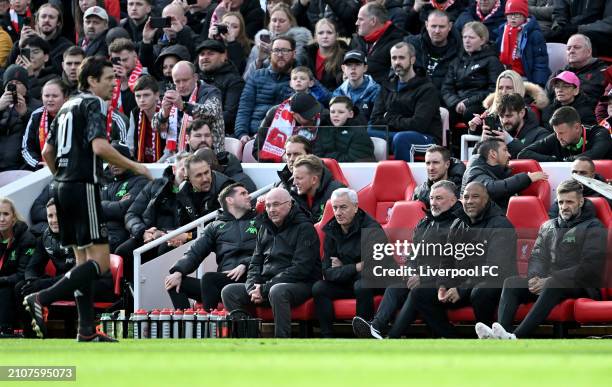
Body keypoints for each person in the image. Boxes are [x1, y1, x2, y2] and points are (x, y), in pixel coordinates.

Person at [24, 56, 152, 342]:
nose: (114, 84)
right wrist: (137, 167)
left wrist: (62, 178)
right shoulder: (92, 104)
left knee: (81, 260)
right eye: (108, 78)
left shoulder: (66, 106)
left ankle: (85, 330)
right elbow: (100, 146)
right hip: (83, 187)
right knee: (101, 264)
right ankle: (41, 297)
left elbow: (47, 152)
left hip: (61, 187)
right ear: (92, 80)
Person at [476, 179, 607, 339]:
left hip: (582, 285)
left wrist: (550, 279)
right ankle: (503, 334)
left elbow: (590, 267)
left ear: (580, 202)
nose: (564, 206)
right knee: (511, 283)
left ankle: (517, 337)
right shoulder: (548, 226)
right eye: (561, 202)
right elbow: (537, 256)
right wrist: (534, 278)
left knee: (553, 283)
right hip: (550, 282)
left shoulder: (594, 226)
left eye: (569, 202)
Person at [352, 180, 463, 339]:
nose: (433, 203)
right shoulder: (425, 223)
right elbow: (413, 256)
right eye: (431, 198)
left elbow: (455, 264)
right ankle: (376, 327)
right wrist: (410, 271)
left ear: (453, 201)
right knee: (395, 286)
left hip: (449, 282)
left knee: (417, 292)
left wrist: (423, 277)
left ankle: (393, 337)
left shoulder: (460, 224)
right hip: (424, 278)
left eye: (439, 198)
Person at [412, 181, 517, 338]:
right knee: (420, 293)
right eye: (466, 197)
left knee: (481, 291)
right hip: (463, 284)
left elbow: (495, 268)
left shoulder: (501, 224)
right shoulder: (458, 223)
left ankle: (490, 338)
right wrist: (442, 285)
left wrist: (462, 289)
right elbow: (446, 261)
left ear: (487, 199)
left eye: (475, 197)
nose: (469, 201)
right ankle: (453, 340)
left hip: (494, 283)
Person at [221, 187, 321, 338]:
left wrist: (265, 289)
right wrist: (252, 289)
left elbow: (301, 269)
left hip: (301, 284)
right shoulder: (264, 227)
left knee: (277, 291)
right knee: (229, 291)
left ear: (290, 204)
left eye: (276, 204)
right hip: (267, 285)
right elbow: (255, 263)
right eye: (268, 206)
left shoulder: (305, 228)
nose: (271, 209)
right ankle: (247, 338)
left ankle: (281, 341)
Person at [15, 198, 115, 337]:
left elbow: (79, 272)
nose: (54, 220)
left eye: (58, 215)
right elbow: (32, 267)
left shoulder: (80, 232)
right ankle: (32, 336)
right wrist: (32, 281)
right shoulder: (45, 238)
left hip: (98, 284)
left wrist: (42, 284)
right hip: (66, 283)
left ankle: (41, 300)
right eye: (50, 216)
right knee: (22, 287)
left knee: (74, 284)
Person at [165, 182, 258, 311]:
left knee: (209, 279)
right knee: (173, 282)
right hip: (223, 279)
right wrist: (178, 271)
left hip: (251, 276)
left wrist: (245, 264)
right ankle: (186, 326)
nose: (249, 196)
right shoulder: (214, 226)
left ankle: (210, 326)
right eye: (243, 193)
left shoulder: (260, 221)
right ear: (229, 200)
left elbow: (269, 251)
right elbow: (195, 252)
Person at [313, 188, 385, 338]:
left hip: (373, 282)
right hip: (348, 280)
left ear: (356, 207)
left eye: (343, 207)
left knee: (362, 284)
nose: (338, 212)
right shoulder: (332, 229)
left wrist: (344, 267)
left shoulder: (371, 228)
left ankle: (364, 335)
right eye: (335, 208)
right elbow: (327, 272)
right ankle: (327, 338)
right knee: (319, 288)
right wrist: (356, 266)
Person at [118, 152, 189, 283]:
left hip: (174, 239)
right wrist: (142, 232)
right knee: (123, 251)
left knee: (165, 250)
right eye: (183, 168)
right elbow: (131, 214)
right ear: (174, 169)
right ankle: (133, 296)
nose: (186, 174)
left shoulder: (193, 191)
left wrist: (164, 234)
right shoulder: (155, 185)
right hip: (148, 236)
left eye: (189, 169)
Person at [370, 42, 442, 162]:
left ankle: (405, 180)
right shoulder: (387, 86)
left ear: (412, 59)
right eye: (394, 58)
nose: (397, 62)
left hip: (427, 138)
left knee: (401, 139)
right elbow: (375, 120)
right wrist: (397, 120)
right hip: (395, 134)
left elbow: (418, 125)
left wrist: (389, 117)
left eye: (401, 58)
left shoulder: (427, 89)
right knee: (367, 132)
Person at [152, 61, 225, 156]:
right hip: (176, 157)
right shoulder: (172, 94)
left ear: (195, 77)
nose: (181, 85)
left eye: (185, 80)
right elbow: (154, 126)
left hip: (209, 156)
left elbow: (212, 112)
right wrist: (164, 114)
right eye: (177, 81)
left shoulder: (210, 92)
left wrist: (183, 106)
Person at [234, 36, 294, 143]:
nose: (280, 55)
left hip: (287, 137)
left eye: (285, 50)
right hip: (255, 134)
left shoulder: (300, 78)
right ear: (270, 54)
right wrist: (242, 133)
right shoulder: (257, 76)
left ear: (294, 53)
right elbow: (244, 108)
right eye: (276, 50)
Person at [442, 21, 504, 124]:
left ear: (482, 40)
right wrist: (456, 102)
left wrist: (468, 102)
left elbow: (495, 90)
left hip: (480, 104)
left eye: (471, 38)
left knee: (470, 113)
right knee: (442, 113)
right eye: (464, 37)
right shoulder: (457, 61)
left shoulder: (492, 61)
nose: (467, 41)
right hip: (458, 103)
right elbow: (446, 88)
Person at [462, 138, 548, 210]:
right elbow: (491, 189)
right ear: (493, 154)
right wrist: (527, 178)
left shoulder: (501, 171)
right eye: (505, 150)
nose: (509, 154)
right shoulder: (474, 171)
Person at [242, 3, 312, 81]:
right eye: (274, 20)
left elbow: (298, 66)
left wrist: (272, 54)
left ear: (291, 23)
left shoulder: (299, 41)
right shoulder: (260, 43)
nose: (277, 24)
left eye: (282, 21)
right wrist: (259, 61)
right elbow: (246, 79)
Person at [101, 142, 149, 252]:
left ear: (127, 160)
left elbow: (123, 210)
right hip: (101, 232)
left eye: (118, 159)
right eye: (110, 160)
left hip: (123, 234)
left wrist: (101, 206)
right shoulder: (105, 181)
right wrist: (114, 206)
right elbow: (91, 209)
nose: (113, 163)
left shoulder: (140, 181)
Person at [185, 118, 256, 192]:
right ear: (187, 139)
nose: (203, 139)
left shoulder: (227, 162)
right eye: (198, 136)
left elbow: (246, 189)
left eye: (207, 135)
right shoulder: (180, 164)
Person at [518, 106, 612, 161]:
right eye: (556, 132)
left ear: (576, 127)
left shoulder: (599, 133)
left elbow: (595, 153)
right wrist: (554, 161)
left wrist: (568, 161)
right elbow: (523, 154)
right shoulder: (557, 137)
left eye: (562, 133)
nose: (558, 137)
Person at [0, 197, 35, 337]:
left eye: (6, 214)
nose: (1, 219)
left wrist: (2, 280)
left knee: (7, 288)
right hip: (5, 280)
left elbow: (22, 274)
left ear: (13, 217)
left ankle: (5, 329)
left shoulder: (27, 238)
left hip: (19, 282)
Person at [5, 3, 72, 75]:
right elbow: (7, 69)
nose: (46, 20)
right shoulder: (26, 42)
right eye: (43, 17)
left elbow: (59, 70)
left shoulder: (66, 46)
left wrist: (41, 43)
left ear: (58, 22)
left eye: (51, 17)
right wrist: (19, 45)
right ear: (37, 21)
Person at [495, 0, 550, 88]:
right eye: (509, 14)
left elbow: (540, 62)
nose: (513, 17)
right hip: (505, 75)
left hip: (525, 77)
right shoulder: (502, 31)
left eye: (517, 14)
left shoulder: (534, 34)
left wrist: (538, 85)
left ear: (524, 16)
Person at [469, 69, 549, 129]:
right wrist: (475, 126)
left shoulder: (530, 110)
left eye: (509, 87)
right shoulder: (492, 108)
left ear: (518, 88)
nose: (504, 91)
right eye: (500, 88)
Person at [478, 93, 550, 159]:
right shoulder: (497, 135)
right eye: (501, 116)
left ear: (522, 113)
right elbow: (477, 161)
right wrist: (482, 143)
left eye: (509, 116)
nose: (504, 121)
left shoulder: (541, 134)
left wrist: (511, 142)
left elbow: (543, 160)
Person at [196, 39, 245, 134]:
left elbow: (229, 115)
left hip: (220, 135)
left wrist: (198, 125)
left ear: (224, 57)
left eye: (210, 54)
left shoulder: (234, 81)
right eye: (202, 54)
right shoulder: (194, 79)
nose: (205, 57)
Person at [405, 9, 462, 91]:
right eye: (433, 26)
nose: (437, 31)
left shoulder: (460, 49)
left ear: (450, 26)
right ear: (426, 25)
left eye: (442, 27)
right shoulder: (412, 45)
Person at [349, 2, 405, 84]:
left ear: (373, 21)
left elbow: (394, 79)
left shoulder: (397, 43)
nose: (356, 23)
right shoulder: (357, 40)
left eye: (361, 19)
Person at [176, 153, 234, 230]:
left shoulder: (226, 188)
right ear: (188, 178)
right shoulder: (184, 190)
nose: (205, 179)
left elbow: (221, 228)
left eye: (206, 172)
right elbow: (182, 223)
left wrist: (188, 236)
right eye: (199, 175)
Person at [22, 79, 69, 171]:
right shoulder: (36, 115)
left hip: (69, 170)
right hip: (41, 169)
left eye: (55, 96)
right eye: (46, 96)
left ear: (65, 98)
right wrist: (39, 164)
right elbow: (26, 148)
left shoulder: (74, 115)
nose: (50, 100)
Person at [546, 34, 607, 103]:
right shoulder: (558, 74)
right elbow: (544, 101)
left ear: (589, 52)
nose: (571, 51)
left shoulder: (604, 74)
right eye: (568, 48)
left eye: (577, 47)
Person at [0, 64, 38, 173]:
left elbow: (39, 135)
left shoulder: (36, 106)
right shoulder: (1, 103)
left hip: (21, 168)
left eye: (18, 83)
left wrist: (25, 114)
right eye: (10, 84)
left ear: (26, 87)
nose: (14, 87)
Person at [314, 96, 375, 162]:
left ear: (351, 114)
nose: (335, 115)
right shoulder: (323, 130)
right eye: (332, 112)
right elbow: (316, 157)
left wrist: (329, 157)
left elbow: (353, 160)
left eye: (341, 112)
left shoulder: (360, 133)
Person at [290, 154, 345, 223]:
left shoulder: (337, 194)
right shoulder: (294, 195)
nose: (294, 183)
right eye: (294, 178)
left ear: (314, 180)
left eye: (299, 178)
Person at [127, 75, 168, 163]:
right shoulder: (135, 113)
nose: (142, 100)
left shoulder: (167, 112)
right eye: (138, 96)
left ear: (157, 95)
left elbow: (170, 151)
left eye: (146, 95)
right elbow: (130, 146)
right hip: (140, 166)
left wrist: (155, 167)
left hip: (163, 165)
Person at [300, 18, 347, 91]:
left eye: (329, 32)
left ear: (336, 35)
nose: (325, 36)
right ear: (315, 36)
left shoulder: (344, 57)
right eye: (321, 33)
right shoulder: (306, 54)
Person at [332, 50, 380, 121]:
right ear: (343, 68)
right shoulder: (338, 93)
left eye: (357, 64)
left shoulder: (376, 91)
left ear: (365, 68)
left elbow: (376, 122)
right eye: (349, 65)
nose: (353, 68)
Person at [108, 38, 147, 120]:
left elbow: (132, 113)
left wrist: (124, 82)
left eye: (125, 60)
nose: (121, 64)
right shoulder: (108, 79)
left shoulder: (144, 78)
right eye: (117, 61)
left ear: (135, 57)